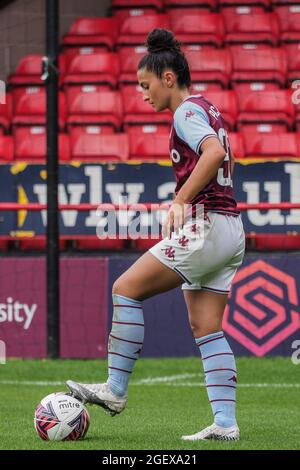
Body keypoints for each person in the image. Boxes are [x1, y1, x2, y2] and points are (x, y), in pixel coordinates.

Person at [67, 28, 245, 441]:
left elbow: (213, 153)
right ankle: (225, 423)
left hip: (207, 223)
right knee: (206, 326)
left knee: (125, 288)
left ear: (168, 78)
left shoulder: (185, 111)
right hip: (231, 230)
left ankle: (114, 389)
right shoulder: (207, 107)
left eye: (145, 85)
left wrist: (180, 200)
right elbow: (218, 152)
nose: (143, 94)